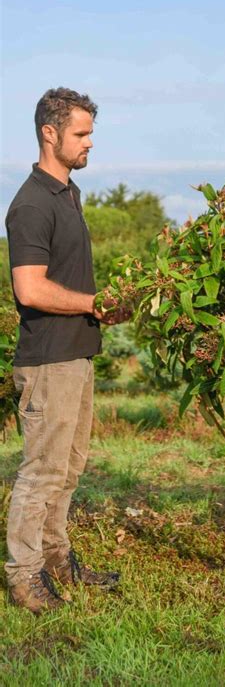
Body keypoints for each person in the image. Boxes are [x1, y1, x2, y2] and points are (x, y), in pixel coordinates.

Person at [5, 87, 129, 614]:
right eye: (81, 134)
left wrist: (105, 306)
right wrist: (93, 302)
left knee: (69, 468)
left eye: (90, 134)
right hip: (48, 361)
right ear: (49, 134)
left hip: (76, 355)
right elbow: (29, 290)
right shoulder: (30, 205)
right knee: (43, 472)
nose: (89, 144)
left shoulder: (68, 194)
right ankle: (23, 576)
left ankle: (57, 559)